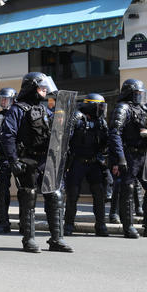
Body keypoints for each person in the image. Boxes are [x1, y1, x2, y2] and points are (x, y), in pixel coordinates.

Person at [0, 72, 73, 253]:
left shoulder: (44, 110)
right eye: (41, 87)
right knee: (29, 197)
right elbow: (7, 136)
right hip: (28, 159)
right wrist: (13, 160)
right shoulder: (17, 110)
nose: (45, 90)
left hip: (45, 160)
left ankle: (57, 239)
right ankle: (29, 239)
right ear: (32, 87)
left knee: (55, 196)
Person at [108, 79, 147, 239]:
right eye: (137, 93)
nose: (140, 96)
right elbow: (115, 133)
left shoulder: (144, 108)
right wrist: (120, 157)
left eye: (141, 93)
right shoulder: (123, 108)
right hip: (129, 154)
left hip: (144, 155)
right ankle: (128, 227)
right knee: (128, 189)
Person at [64, 94, 109, 237]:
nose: (102, 109)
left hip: (94, 162)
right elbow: (65, 138)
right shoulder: (76, 118)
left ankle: (101, 225)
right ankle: (68, 225)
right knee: (73, 194)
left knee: (99, 194)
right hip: (77, 161)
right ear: (91, 105)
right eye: (99, 106)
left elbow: (106, 141)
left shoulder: (101, 122)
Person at [0, 87, 16, 234]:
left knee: (25, 191)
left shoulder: (18, 114)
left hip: (17, 156)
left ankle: (25, 223)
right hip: (2, 158)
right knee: (1, 191)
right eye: (1, 99)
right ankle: (3, 222)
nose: (3, 102)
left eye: (6, 99)